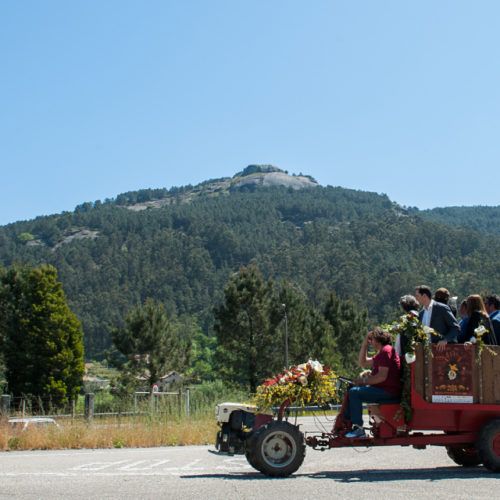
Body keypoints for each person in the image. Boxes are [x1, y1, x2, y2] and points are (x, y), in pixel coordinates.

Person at [344, 327, 401, 439]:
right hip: (384, 390)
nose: (371, 341)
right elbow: (363, 363)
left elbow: (381, 377)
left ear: (378, 340)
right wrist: (365, 344)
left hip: (387, 391)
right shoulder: (383, 352)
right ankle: (348, 425)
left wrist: (362, 381)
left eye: (372, 339)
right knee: (352, 390)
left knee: (355, 393)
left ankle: (358, 429)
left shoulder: (386, 351)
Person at [415, 285, 460, 351]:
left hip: (445, 352)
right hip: (428, 353)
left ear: (424, 296)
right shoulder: (421, 313)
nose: (416, 298)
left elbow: (456, 328)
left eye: (417, 296)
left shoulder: (442, 308)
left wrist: (445, 340)